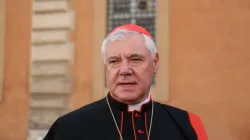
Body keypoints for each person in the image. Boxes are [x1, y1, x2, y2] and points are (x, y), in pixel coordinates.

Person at [43, 24, 208, 140]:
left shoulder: (187, 124)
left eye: (135, 59)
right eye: (114, 61)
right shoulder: (68, 128)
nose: (124, 70)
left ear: (155, 63)